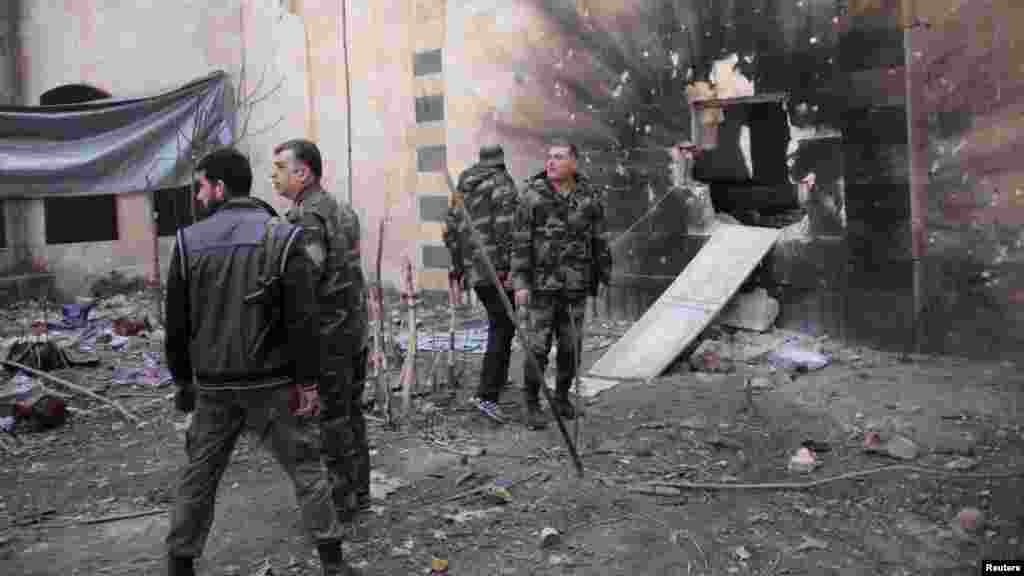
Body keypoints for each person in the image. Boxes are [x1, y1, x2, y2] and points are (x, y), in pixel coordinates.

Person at [163, 148, 360, 575]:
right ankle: (333, 562)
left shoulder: (188, 241)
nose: (198, 197)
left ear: (219, 187)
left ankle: (180, 563)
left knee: (199, 475)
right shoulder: (282, 236)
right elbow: (302, 319)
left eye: (200, 187)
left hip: (214, 385)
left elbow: (175, 325)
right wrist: (307, 383)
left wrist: (183, 383)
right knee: (307, 468)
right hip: (272, 383)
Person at [271, 139, 371, 521]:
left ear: (304, 172)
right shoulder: (343, 211)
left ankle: (340, 504)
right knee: (350, 416)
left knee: (329, 422)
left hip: (328, 338)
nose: (273, 175)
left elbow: (305, 288)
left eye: (281, 167)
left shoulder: (304, 221)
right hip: (353, 331)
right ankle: (359, 493)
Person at [511, 139, 612, 430]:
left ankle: (562, 397)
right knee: (537, 347)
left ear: (574, 162)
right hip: (541, 288)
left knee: (571, 346)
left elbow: (600, 240)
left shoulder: (589, 196)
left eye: (558, 157)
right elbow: (519, 242)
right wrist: (520, 283)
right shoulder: (532, 196)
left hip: (575, 286)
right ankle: (531, 403)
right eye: (549, 157)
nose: (551, 162)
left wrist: (603, 278)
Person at [443, 145, 520, 424]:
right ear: (501, 160)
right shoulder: (502, 184)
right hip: (495, 271)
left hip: (475, 270)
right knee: (503, 326)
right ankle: (487, 395)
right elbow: (507, 229)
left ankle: (495, 382)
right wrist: (509, 268)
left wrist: (459, 267)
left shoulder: (463, 184)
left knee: (499, 325)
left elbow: (449, 230)